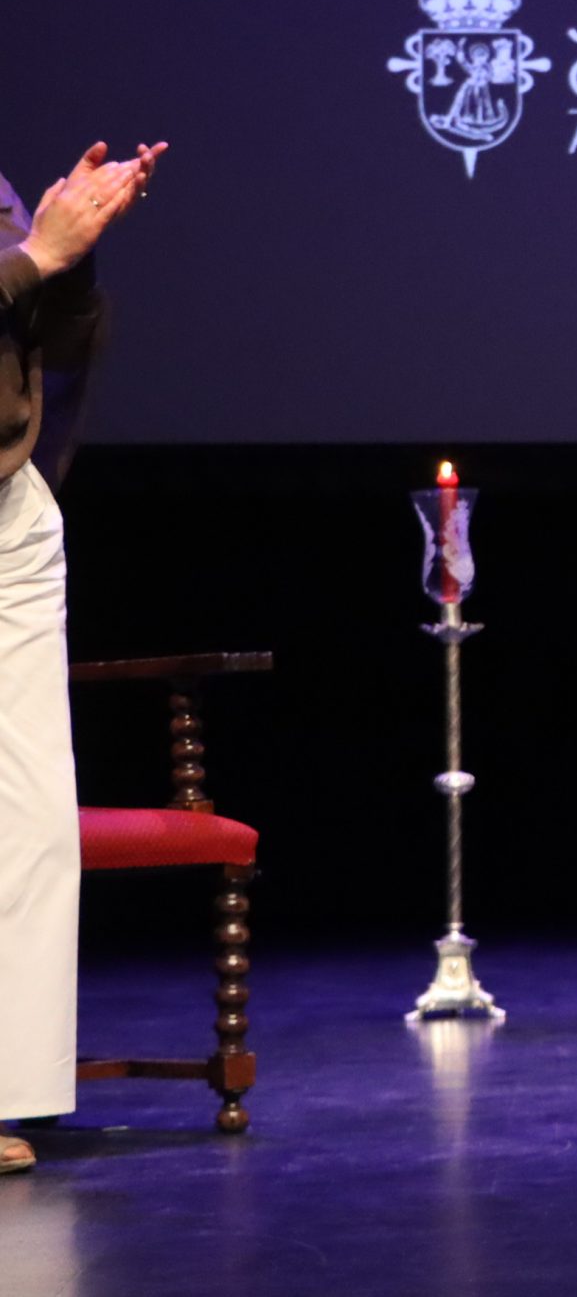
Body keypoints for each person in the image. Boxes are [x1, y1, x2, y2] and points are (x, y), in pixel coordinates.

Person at [1, 140, 163, 1177]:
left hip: (8, 510)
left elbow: (44, 344)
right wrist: (33, 258)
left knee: (30, 813)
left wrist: (73, 251)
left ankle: (7, 1091)